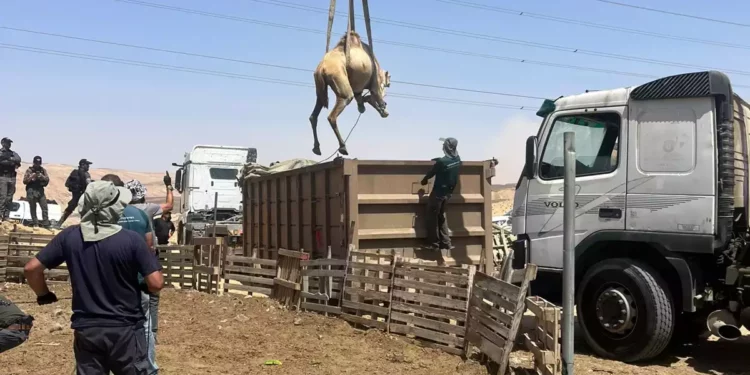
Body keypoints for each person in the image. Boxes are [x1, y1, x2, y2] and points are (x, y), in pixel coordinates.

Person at [23, 181, 164, 374]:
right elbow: (156, 284)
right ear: (116, 207)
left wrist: (44, 294)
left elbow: (31, 269)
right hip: (125, 329)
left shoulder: (69, 236)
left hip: (87, 329)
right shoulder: (131, 240)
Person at [102, 174, 159, 373]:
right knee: (144, 325)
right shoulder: (139, 214)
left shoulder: (102, 216)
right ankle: (150, 367)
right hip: (137, 281)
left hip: (108, 283)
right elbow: (150, 247)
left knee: (106, 324)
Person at [125, 174, 173, 344]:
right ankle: (151, 333)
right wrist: (169, 186)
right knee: (152, 297)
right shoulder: (148, 209)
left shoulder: (120, 211)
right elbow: (169, 205)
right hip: (146, 257)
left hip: (123, 259)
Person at [420, 137, 462, 251]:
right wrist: (439, 160)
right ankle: (446, 242)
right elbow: (448, 162)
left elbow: (431, 173)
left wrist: (423, 181)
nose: (442, 146)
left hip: (438, 194)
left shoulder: (442, 162)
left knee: (431, 217)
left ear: (447, 147)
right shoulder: (457, 159)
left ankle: (434, 244)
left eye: (444, 145)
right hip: (448, 195)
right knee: (441, 216)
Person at [58, 159, 93, 227]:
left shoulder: (74, 172)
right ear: (82, 165)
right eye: (87, 165)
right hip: (83, 196)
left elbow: (67, 184)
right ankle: (85, 227)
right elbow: (89, 185)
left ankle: (59, 224)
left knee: (69, 210)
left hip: (75, 196)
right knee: (86, 212)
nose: (88, 166)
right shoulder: (86, 174)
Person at [23, 156, 51, 228]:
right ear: (34, 163)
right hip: (31, 190)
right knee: (33, 207)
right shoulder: (29, 170)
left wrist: (42, 177)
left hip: (40, 190)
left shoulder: (43, 170)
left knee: (44, 207)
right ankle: (35, 223)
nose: (37, 165)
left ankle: (46, 223)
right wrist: (32, 177)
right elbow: (25, 181)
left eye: (39, 163)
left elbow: (47, 180)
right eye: (36, 163)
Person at [0, 137, 21, 222]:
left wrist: (9, 160)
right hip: (3, 177)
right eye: (8, 143)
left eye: (10, 143)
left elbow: (18, 159)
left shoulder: (12, 153)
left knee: (9, 197)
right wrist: (10, 161)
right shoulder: (1, 152)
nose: (9, 145)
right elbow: (1, 162)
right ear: (3, 143)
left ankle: (6, 215)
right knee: (3, 197)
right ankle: (0, 215)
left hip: (12, 177)